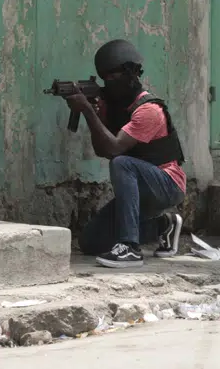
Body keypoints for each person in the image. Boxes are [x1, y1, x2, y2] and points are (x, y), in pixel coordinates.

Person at [65, 39, 186, 268]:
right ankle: (164, 226)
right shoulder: (118, 107)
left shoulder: (149, 110)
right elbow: (102, 150)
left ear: (131, 74)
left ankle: (129, 248)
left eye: (113, 77)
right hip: (142, 187)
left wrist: (88, 110)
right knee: (90, 242)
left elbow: (114, 150)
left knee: (122, 163)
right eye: (105, 78)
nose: (109, 83)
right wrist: (97, 115)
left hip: (167, 185)